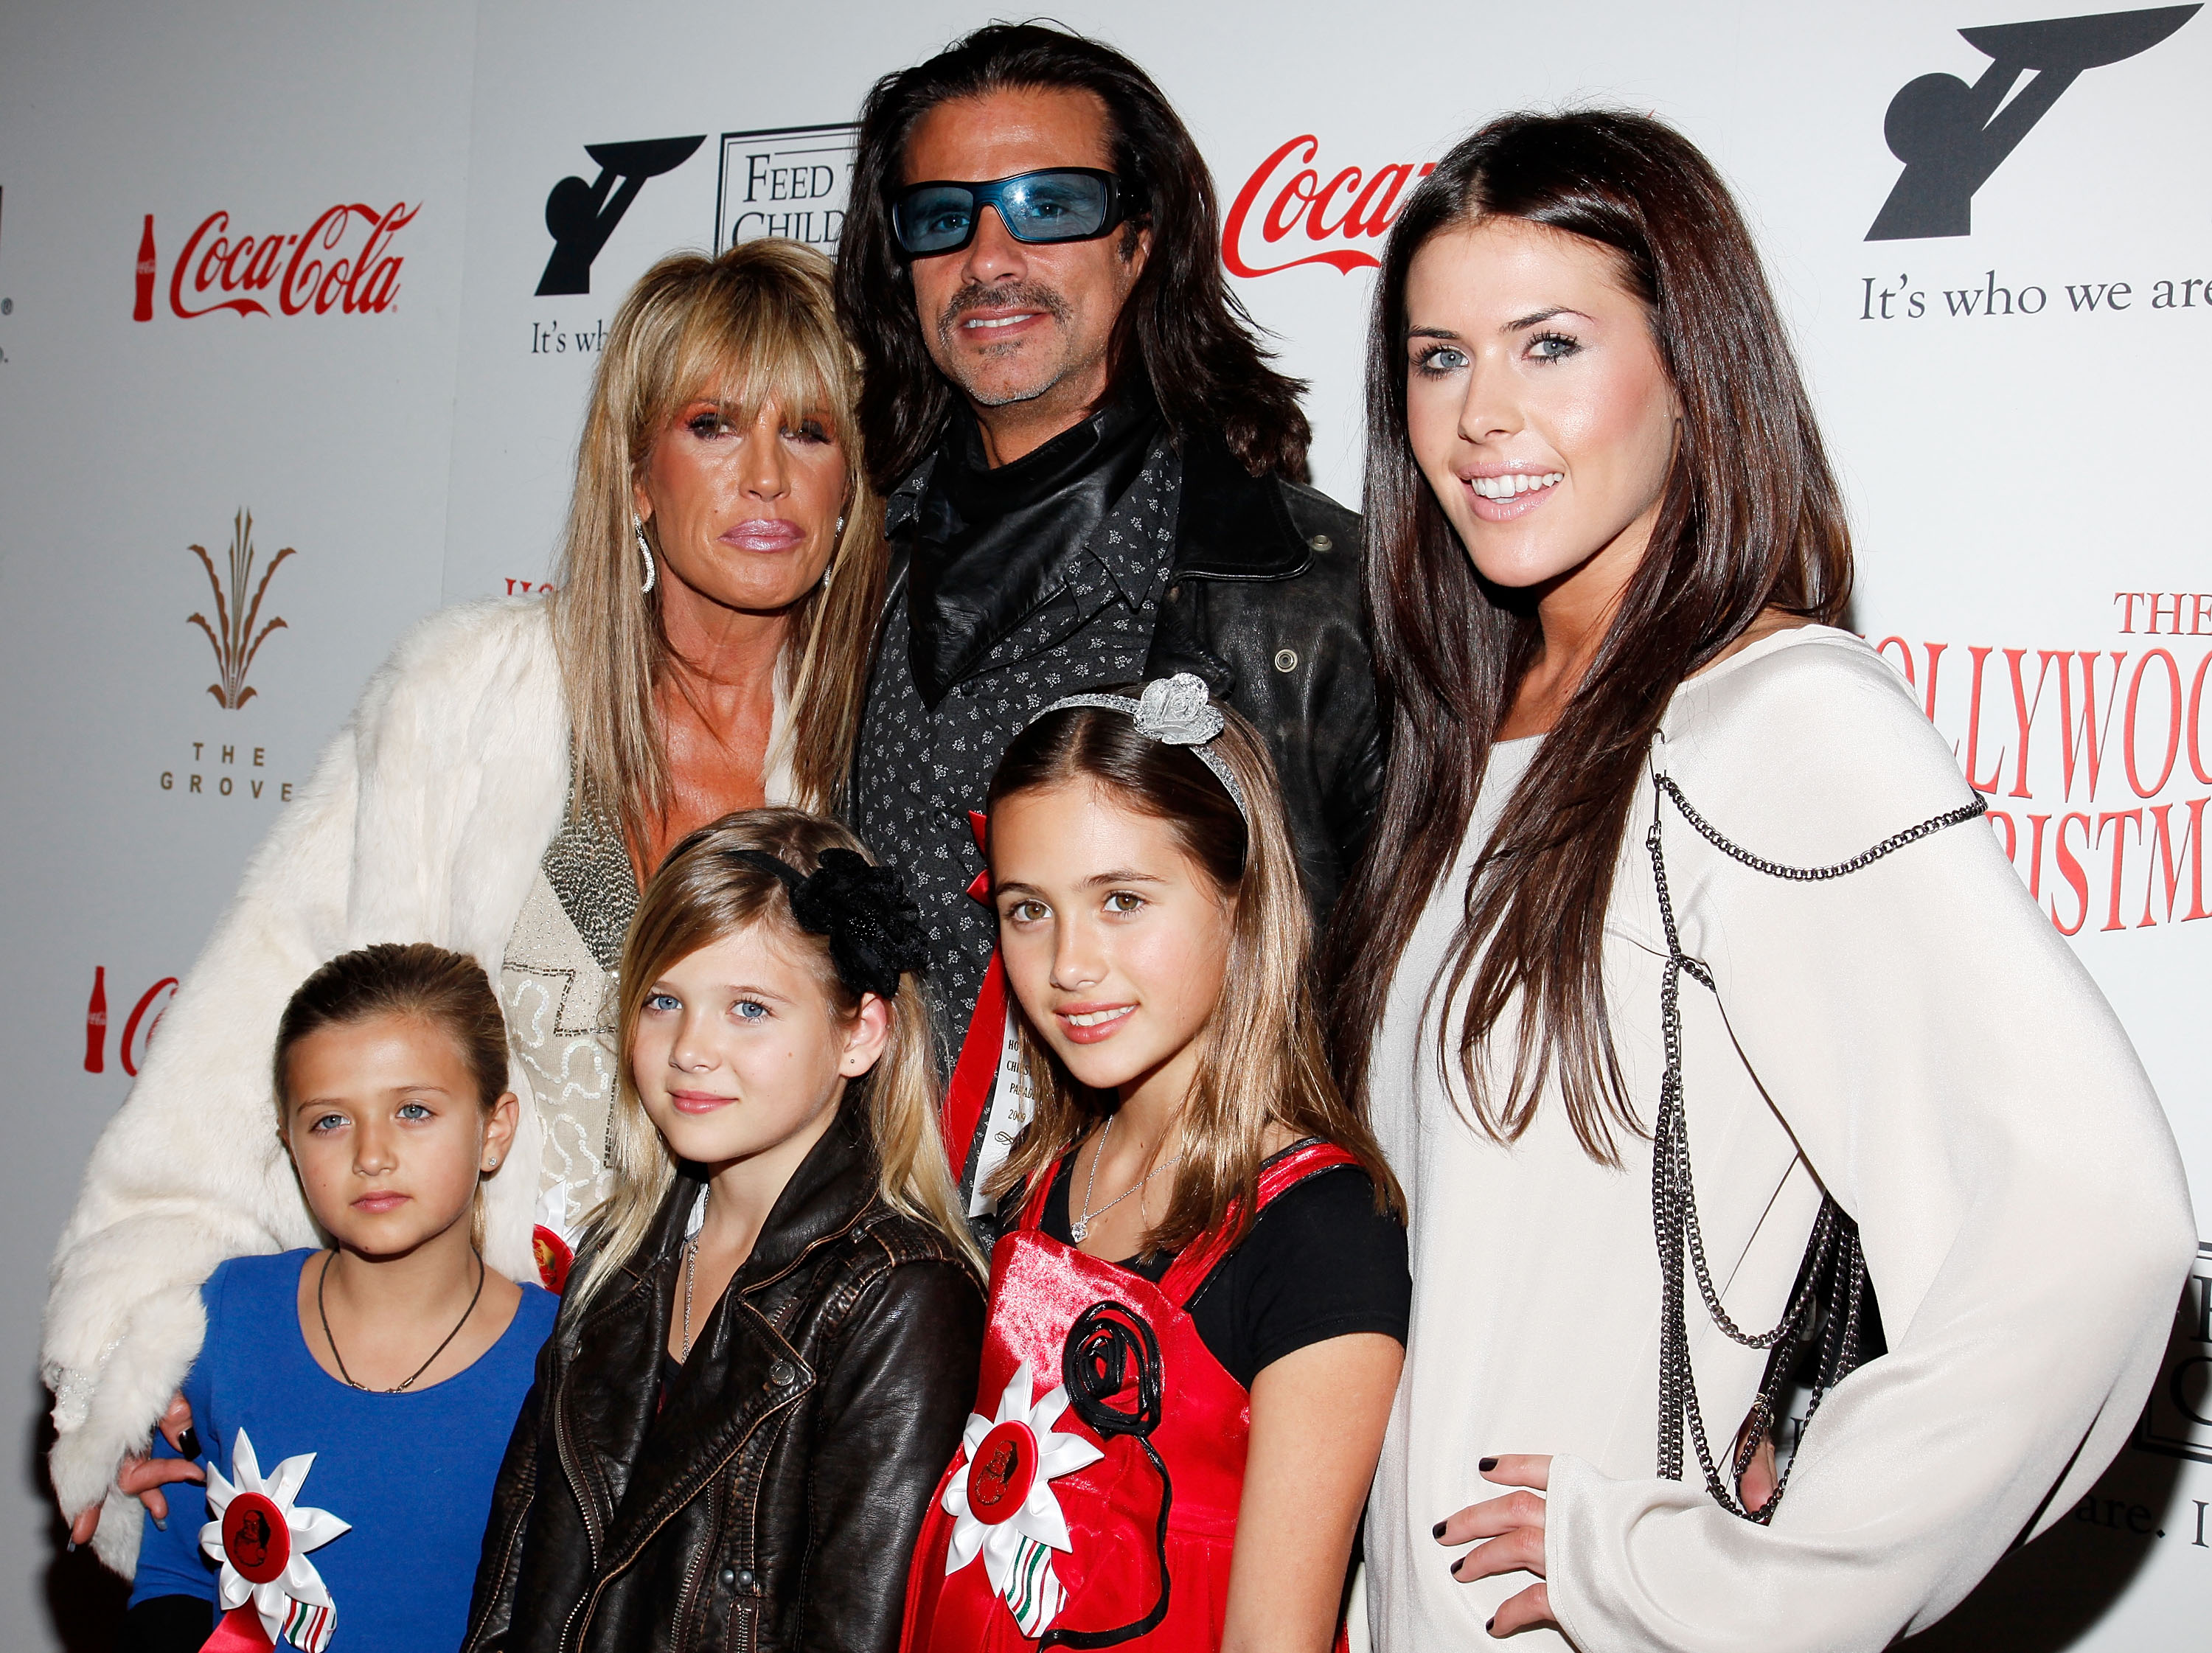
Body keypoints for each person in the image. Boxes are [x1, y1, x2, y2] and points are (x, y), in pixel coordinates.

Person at [1326, 111, 2196, 1651]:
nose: (1479, 416)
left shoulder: (1776, 721)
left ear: (1693, 366)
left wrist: (1729, 1585)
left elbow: (2091, 1223)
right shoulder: (1473, 740)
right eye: (1438, 356)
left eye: (1549, 344)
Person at [46, 238, 886, 1574]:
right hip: (434, 1409)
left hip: (726, 1469)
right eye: (714, 423)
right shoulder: (470, 707)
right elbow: (256, 1044)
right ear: (634, 474)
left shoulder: (877, 762)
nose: (768, 476)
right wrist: (141, 1347)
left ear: (854, 492)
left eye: (812, 431)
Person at [835, 23, 1382, 1205]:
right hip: (882, 1280)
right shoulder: (840, 570)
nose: (990, 256)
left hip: (1177, 1287)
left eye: (1048, 205)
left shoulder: (1311, 586)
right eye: (944, 216)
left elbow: (1400, 1014)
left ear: (1140, 241)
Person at [901, 677, 1409, 1652]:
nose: (1070, 964)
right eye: (1028, 910)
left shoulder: (1322, 1229)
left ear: (1241, 900)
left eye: (1122, 900)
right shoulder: (1055, 1172)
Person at [463, 810, 985, 1653]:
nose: (691, 1049)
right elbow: (510, 1586)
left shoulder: (902, 1298)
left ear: (860, 1033)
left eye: (749, 1007)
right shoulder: (619, 1253)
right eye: (664, 1000)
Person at [121, 944, 558, 1653]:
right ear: (289, 1143)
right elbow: (174, 1577)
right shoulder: (226, 1315)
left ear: (493, 1130)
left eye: (413, 1110)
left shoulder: (565, 1363)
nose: (371, 1154)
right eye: (330, 1121)